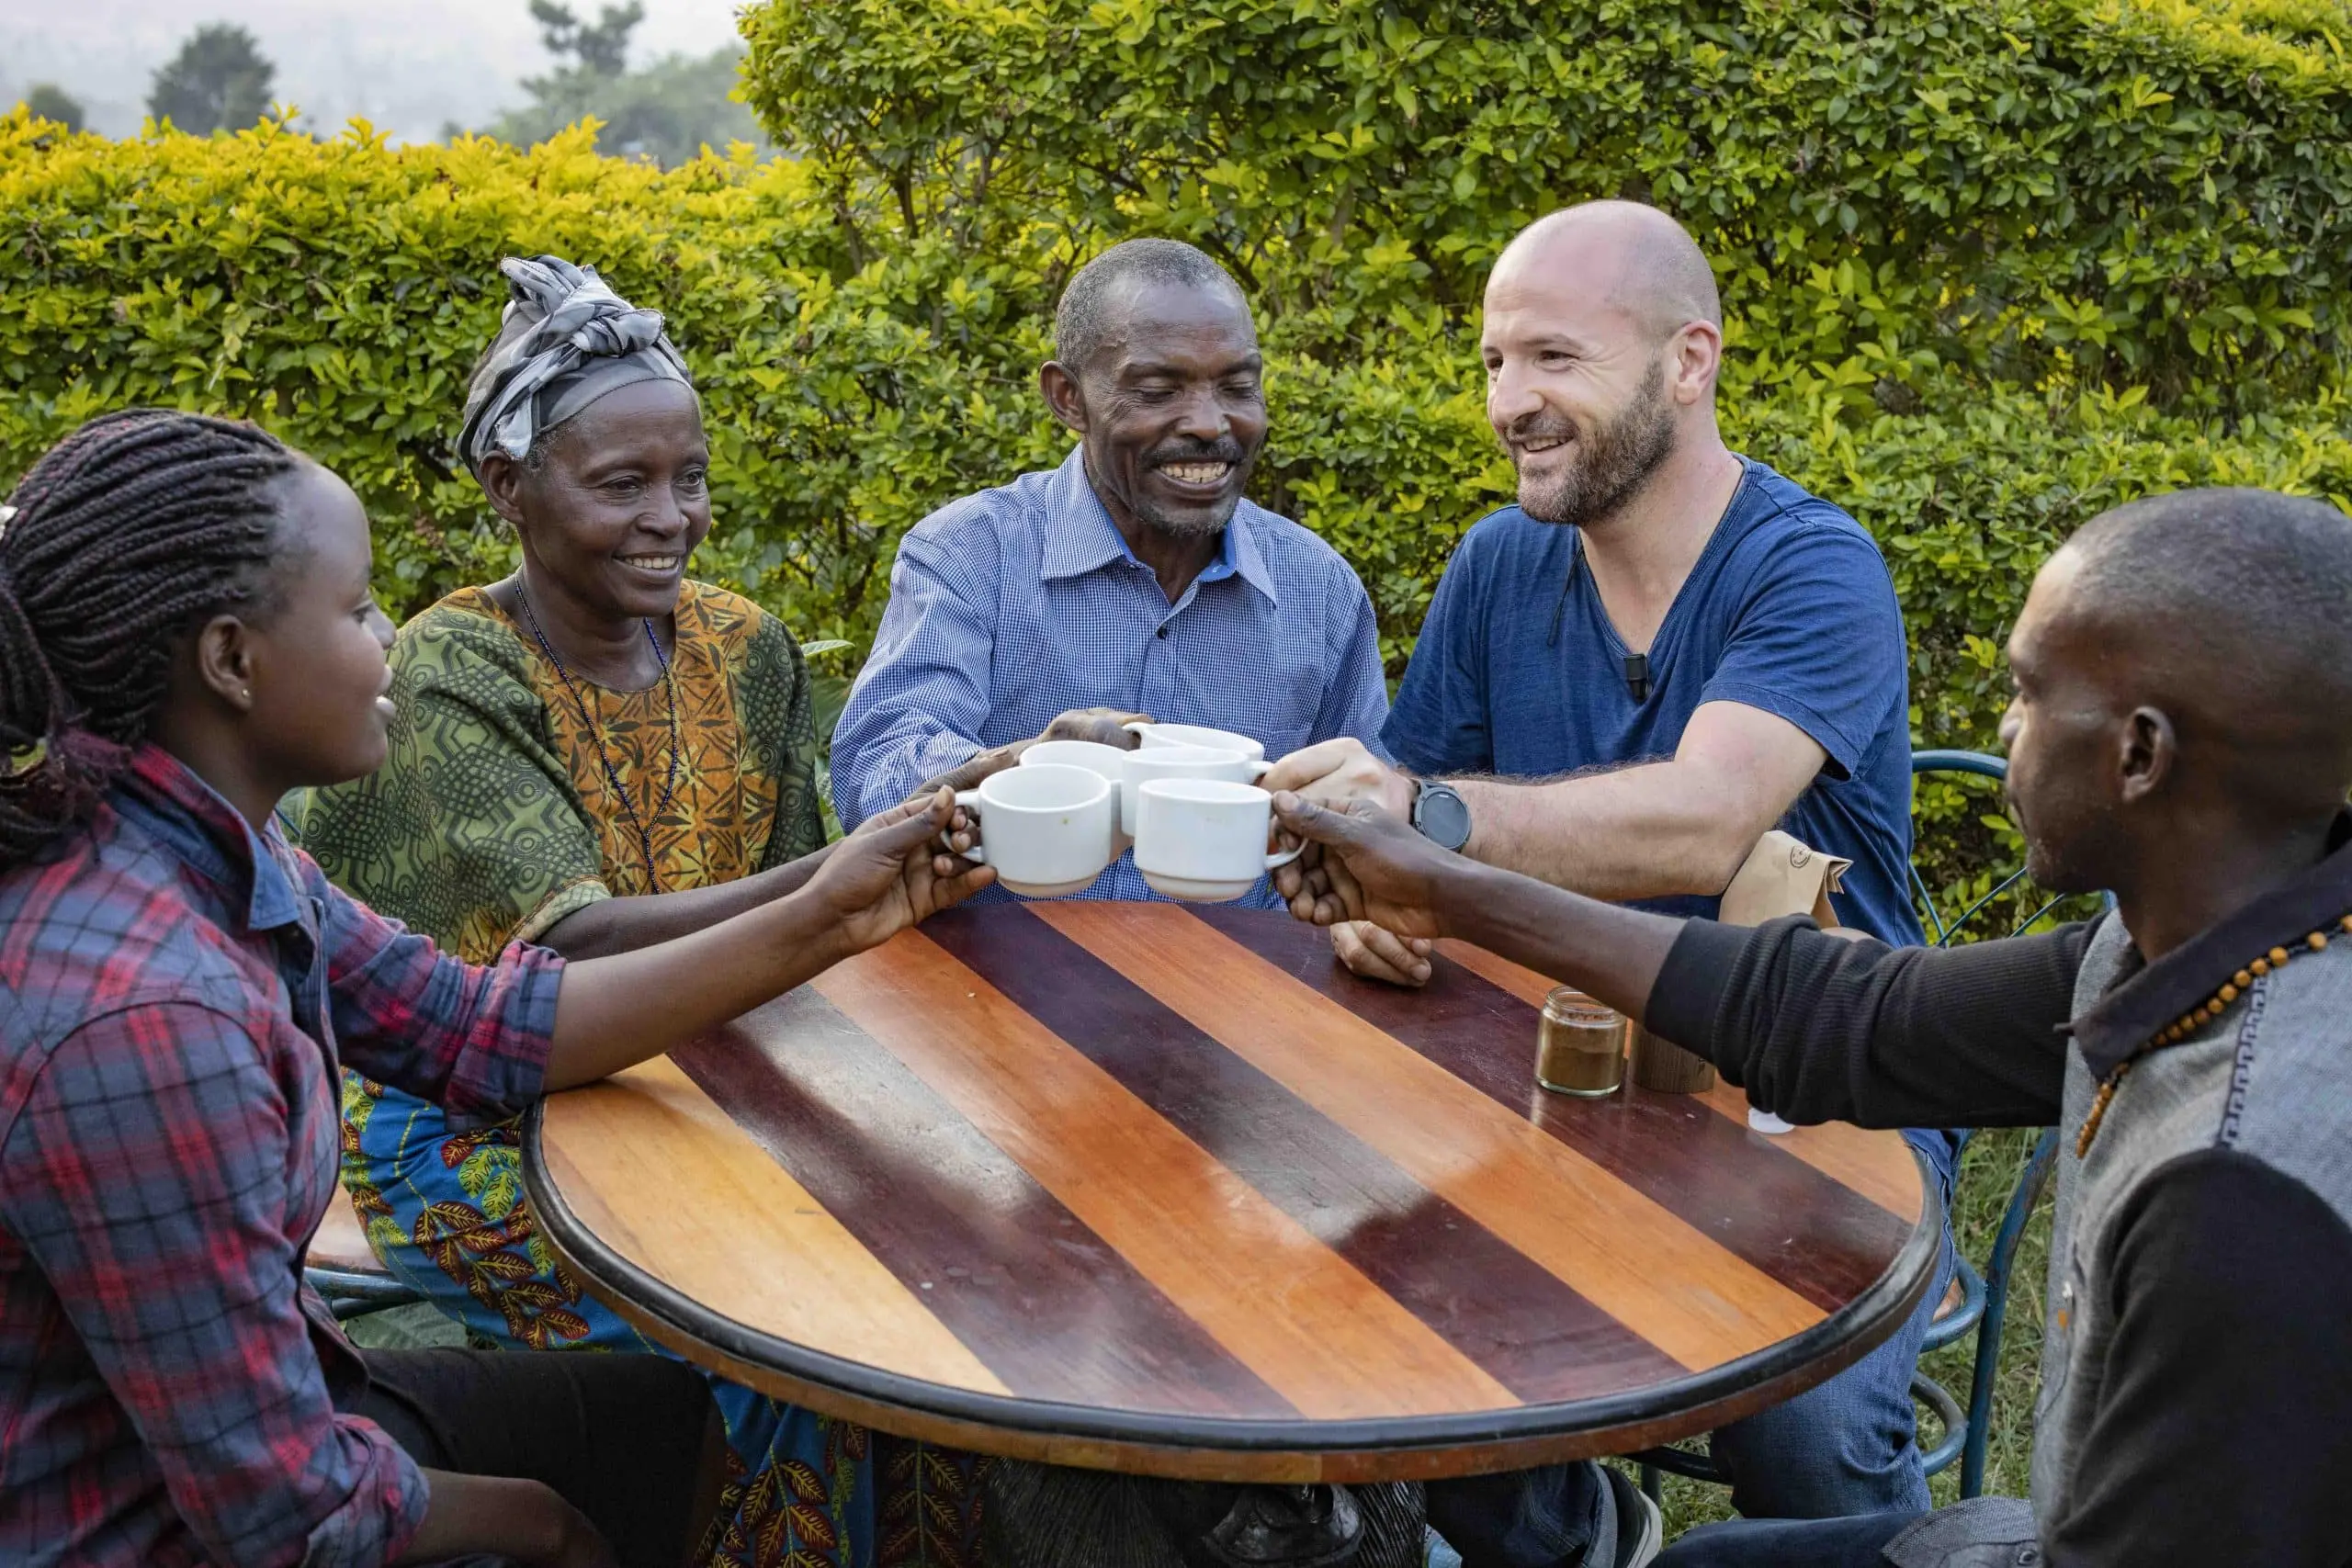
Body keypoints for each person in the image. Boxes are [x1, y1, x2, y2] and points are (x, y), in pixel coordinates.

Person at [1266, 485, 2352, 1568]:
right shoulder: (2199, 934)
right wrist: (1446, 891)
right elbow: (1841, 1016)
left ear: (2139, 755)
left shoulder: (2239, 1198)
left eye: (2027, 694)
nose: (2003, 729)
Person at [0, 408, 989, 1568]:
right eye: (359, 606)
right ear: (231, 660)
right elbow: (292, 1513)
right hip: (127, 1522)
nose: (390, 642)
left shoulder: (212, 844)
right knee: (682, 1431)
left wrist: (830, 908)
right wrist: (546, 1525)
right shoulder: (146, 1016)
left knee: (679, 1424)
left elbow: (479, 1029)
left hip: (264, 1413)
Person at [1264, 203, 1954, 1536]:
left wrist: (1422, 820)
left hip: (1811, 1100)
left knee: (1805, 1428)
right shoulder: (1500, 562)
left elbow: (1702, 821)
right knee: (1371, 1308)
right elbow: (1411, 843)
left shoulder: (1812, 566)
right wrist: (1378, 911)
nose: (1509, 402)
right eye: (1492, 362)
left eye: (1553, 360)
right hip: (1544, 1076)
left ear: (1686, 362)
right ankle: (1590, 1542)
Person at [299, 255, 979, 1565]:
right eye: (622, 483)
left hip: (721, 1095)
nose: (672, 515)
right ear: (510, 488)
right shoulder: (456, 663)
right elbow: (573, 942)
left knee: (938, 1317)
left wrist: (887, 876)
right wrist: (851, 882)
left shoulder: (746, 644)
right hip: (486, 1127)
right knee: (787, 1354)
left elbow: (810, 944)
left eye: (691, 477)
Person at [829, 237, 1392, 902]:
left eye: (1239, 386)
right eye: (1158, 389)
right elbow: (877, 769)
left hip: (1244, 987)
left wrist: (1363, 908)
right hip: (1000, 983)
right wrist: (1029, 765)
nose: (1212, 424)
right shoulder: (971, 554)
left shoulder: (1318, 588)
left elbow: (1368, 813)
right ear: (1068, 398)